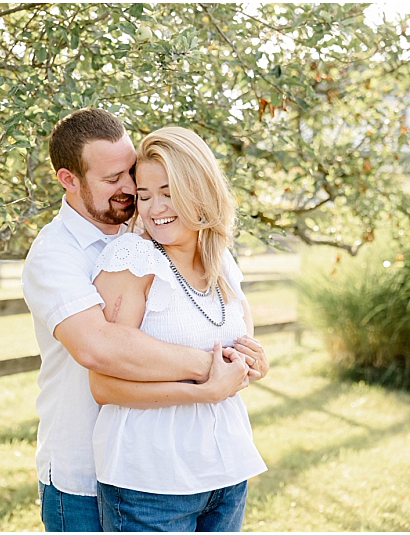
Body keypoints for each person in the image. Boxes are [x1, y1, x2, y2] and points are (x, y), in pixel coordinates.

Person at [21, 109, 265, 532]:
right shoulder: (55, 255)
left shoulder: (150, 236)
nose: (131, 189)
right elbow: (99, 348)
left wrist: (247, 362)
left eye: (131, 172)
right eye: (113, 178)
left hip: (199, 468)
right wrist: (213, 370)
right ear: (69, 180)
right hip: (83, 474)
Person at [90, 126, 268, 531]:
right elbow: (103, 386)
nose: (155, 209)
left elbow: (240, 347)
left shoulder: (222, 261)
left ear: (199, 189)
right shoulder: (133, 258)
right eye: (145, 196)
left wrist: (253, 363)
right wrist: (203, 391)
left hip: (225, 471)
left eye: (168, 192)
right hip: (150, 481)